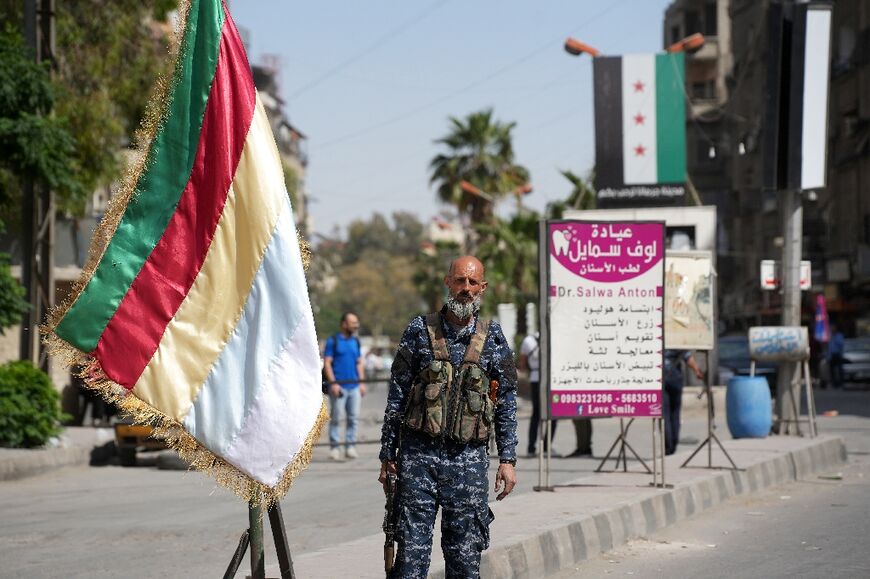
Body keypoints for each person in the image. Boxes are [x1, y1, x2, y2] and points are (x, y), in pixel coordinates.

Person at [378, 255, 518, 578]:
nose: (465, 288)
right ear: (448, 283)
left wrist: (507, 459)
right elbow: (397, 394)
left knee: (465, 564)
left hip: (468, 465)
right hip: (418, 461)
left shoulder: (493, 338)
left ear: (482, 287)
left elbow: (506, 402)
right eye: (459, 280)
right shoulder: (419, 330)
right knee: (410, 563)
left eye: (472, 282)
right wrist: (387, 455)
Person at [323, 312, 366, 460]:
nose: (355, 326)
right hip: (338, 387)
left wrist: (362, 383)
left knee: (353, 418)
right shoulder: (333, 341)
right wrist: (333, 383)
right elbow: (327, 363)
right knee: (336, 418)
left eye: (356, 323)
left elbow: (359, 363)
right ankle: (335, 448)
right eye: (353, 323)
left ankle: (350, 447)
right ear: (344, 324)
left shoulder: (356, 341)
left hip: (354, 387)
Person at [519, 331, 557, 456]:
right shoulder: (553, 337)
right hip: (550, 379)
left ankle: (531, 447)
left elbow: (522, 363)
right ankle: (546, 447)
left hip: (535, 378)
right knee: (552, 413)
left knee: (536, 414)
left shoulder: (528, 340)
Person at [663, 349, 704, 455]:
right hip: (675, 377)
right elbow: (688, 357)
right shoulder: (678, 341)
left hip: (662, 377)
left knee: (665, 414)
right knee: (675, 413)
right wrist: (696, 370)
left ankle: (669, 446)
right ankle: (673, 443)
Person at [828, 325, 845, 389]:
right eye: (831, 328)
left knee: (840, 369)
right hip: (832, 355)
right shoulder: (830, 335)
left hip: (838, 354)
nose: (832, 330)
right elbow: (829, 346)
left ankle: (841, 383)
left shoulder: (839, 335)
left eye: (833, 328)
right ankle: (834, 383)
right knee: (832, 370)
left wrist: (835, 338)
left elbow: (841, 344)